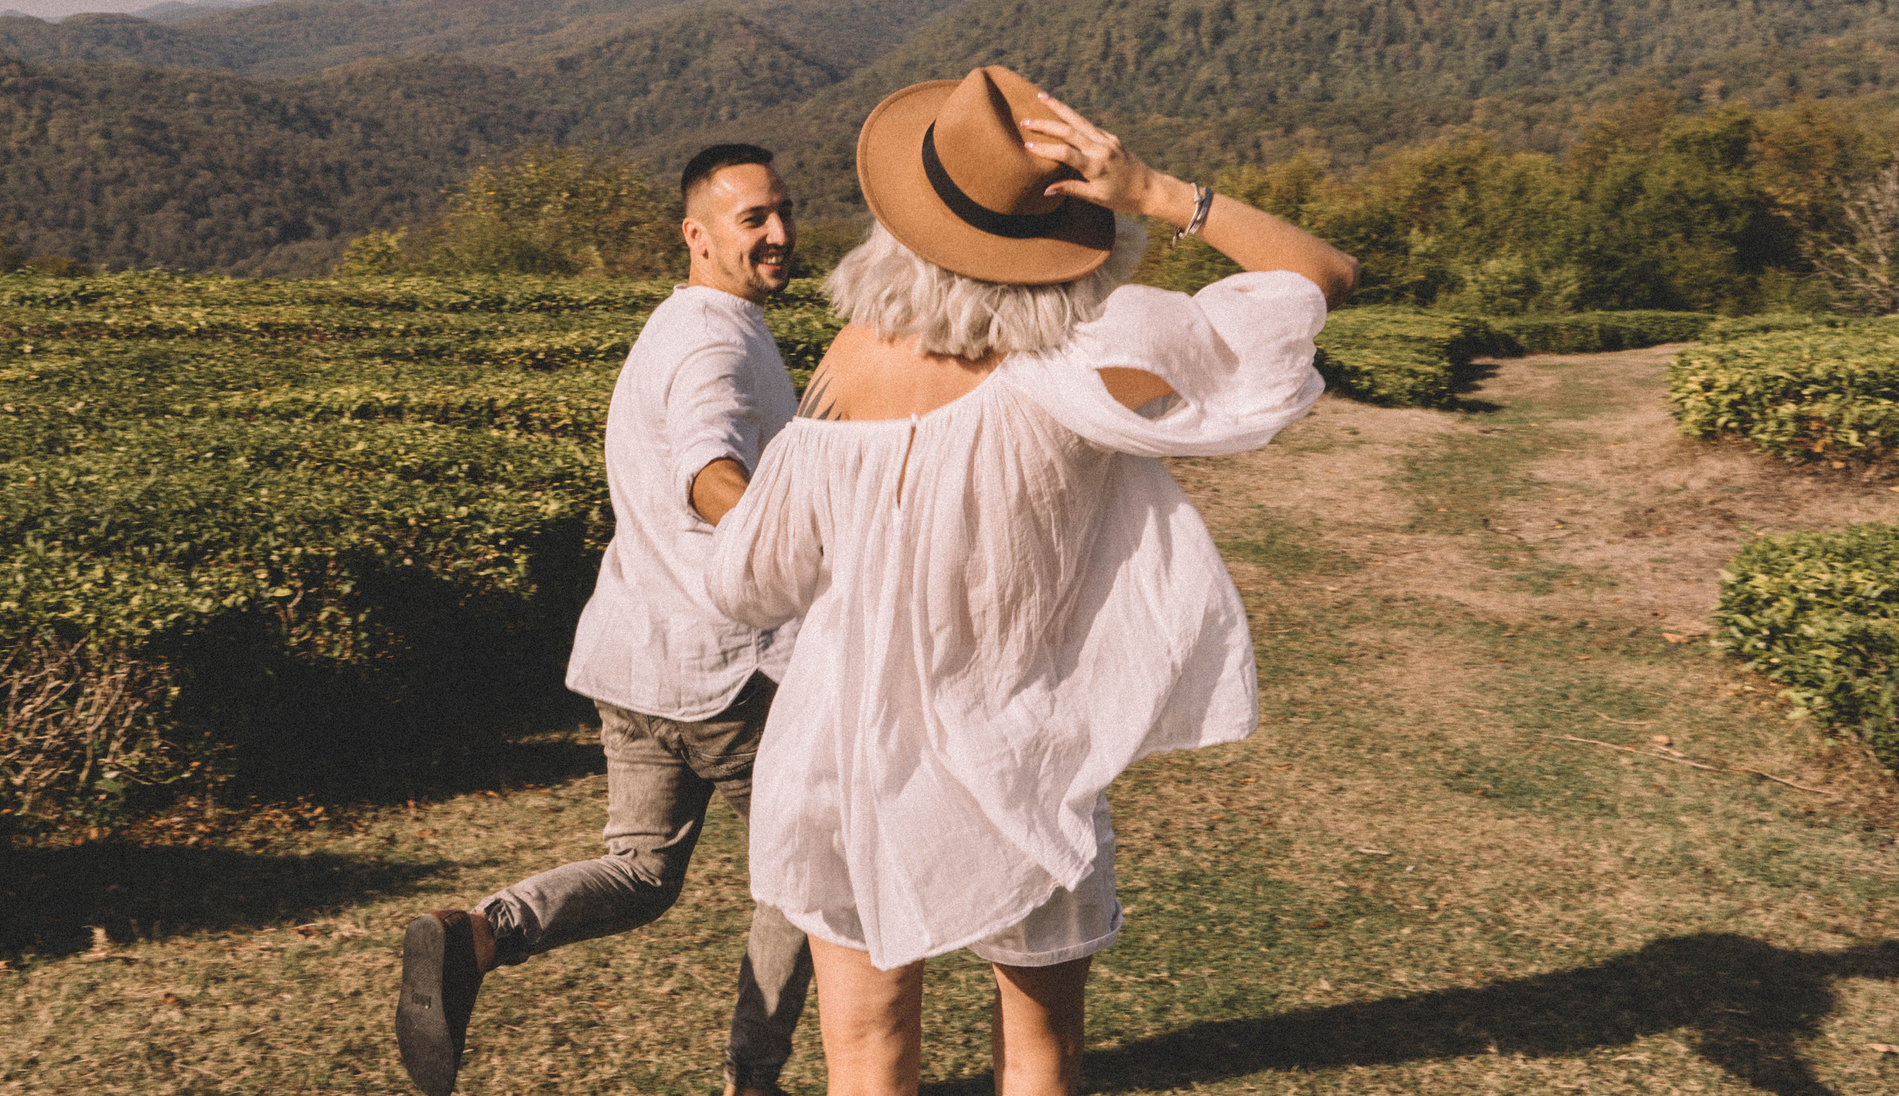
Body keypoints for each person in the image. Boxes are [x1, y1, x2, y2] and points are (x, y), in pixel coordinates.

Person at [700, 67, 1358, 1096]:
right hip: (1023, 760)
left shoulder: (843, 371)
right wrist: (1154, 191)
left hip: (843, 753)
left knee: (865, 1060)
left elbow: (749, 584)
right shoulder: (1084, 371)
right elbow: (1320, 273)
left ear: (900, 222)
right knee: (1038, 1059)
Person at [395, 144, 818, 1096]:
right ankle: (755, 1078)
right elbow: (709, 465)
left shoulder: (673, 326)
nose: (781, 234)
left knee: (639, 871)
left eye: (785, 212)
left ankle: (482, 932)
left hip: (635, 662)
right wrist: (775, 535)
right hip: (727, 674)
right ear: (698, 234)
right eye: (755, 218)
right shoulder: (716, 342)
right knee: (810, 871)